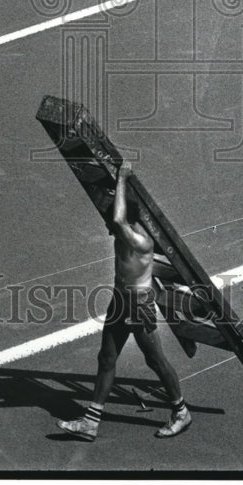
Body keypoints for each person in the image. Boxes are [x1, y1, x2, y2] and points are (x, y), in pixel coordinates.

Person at [57, 160, 192, 441]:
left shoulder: (139, 240)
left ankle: (181, 412)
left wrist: (121, 177)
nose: (108, 225)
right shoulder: (125, 233)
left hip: (137, 306)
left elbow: (117, 220)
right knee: (106, 357)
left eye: (112, 220)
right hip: (120, 301)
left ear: (126, 217)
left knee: (155, 360)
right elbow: (116, 219)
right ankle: (91, 421)